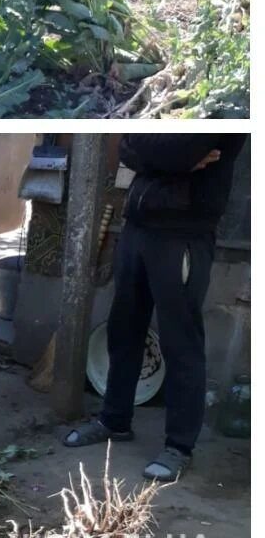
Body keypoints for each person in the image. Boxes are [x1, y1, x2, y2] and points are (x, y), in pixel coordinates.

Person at [64, 134, 247, 481]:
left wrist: (159, 154)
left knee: (180, 342)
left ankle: (179, 446)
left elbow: (178, 150)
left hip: (183, 235)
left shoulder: (226, 109)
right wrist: (167, 158)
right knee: (124, 329)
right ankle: (114, 421)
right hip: (137, 228)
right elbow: (128, 146)